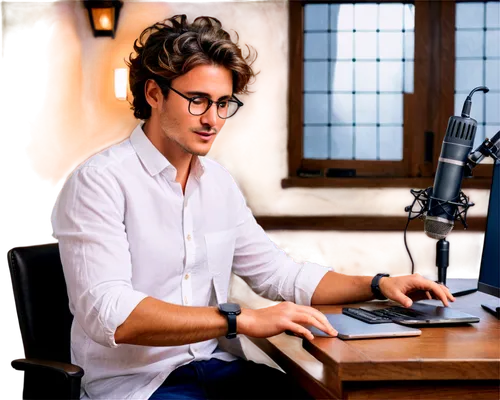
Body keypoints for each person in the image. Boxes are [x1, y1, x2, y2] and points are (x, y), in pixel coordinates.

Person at [49, 14, 455, 400]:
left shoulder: (219, 183)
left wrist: (377, 284)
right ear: (154, 93)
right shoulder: (99, 181)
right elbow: (112, 315)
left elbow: (278, 274)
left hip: (214, 366)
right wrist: (237, 319)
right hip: (136, 386)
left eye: (223, 102)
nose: (213, 118)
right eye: (197, 100)